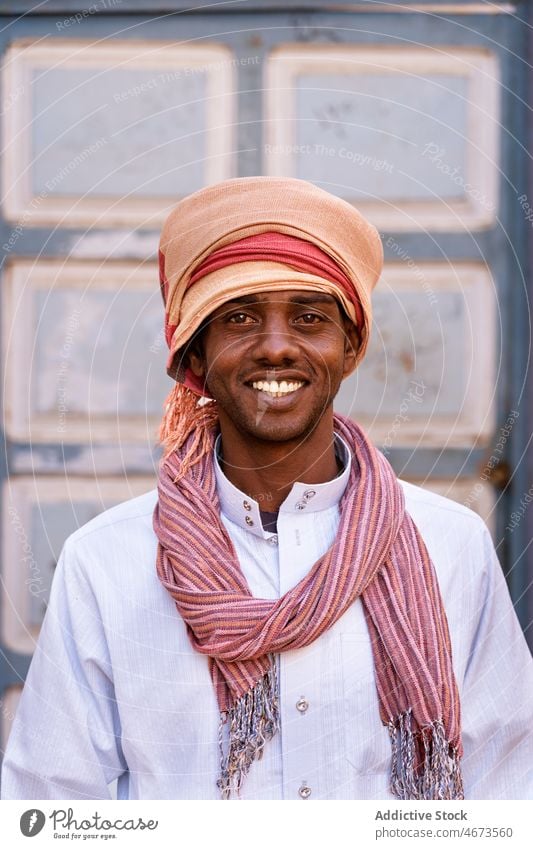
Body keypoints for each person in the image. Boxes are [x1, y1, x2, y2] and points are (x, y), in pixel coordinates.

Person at [2, 177, 532, 801]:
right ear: (194, 355)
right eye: (240, 318)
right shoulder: (107, 562)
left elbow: (506, 790)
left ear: (350, 346)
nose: (277, 346)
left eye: (309, 317)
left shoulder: (451, 546)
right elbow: (52, 807)